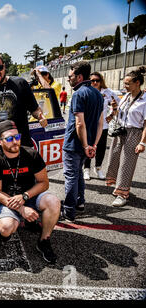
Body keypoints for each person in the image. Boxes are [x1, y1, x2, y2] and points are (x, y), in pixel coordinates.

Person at [0, 120, 60, 264]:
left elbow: (44, 183)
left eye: (17, 137)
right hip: (8, 201)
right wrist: (21, 209)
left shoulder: (31, 154)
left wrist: (25, 196)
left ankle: (44, 240)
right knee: (6, 228)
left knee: (53, 202)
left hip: (30, 195)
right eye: (9, 138)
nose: (15, 141)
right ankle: (17, 222)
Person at [0, 52, 48, 154]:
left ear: (4, 66)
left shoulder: (20, 83)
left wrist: (40, 116)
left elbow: (34, 109)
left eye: (0, 68)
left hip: (20, 144)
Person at [61, 61, 104, 222]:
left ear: (79, 77)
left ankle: (69, 211)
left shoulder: (79, 94)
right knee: (78, 173)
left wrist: (86, 145)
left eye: (70, 76)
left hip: (75, 143)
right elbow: (100, 123)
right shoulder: (98, 94)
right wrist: (93, 144)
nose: (68, 79)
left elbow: (80, 123)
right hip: (88, 143)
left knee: (71, 176)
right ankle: (80, 202)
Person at [105, 66, 146, 207]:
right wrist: (114, 109)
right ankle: (118, 186)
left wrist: (142, 142)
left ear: (137, 83)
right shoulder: (126, 96)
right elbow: (119, 114)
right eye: (124, 83)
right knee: (114, 160)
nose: (125, 86)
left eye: (128, 83)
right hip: (120, 131)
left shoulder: (145, 100)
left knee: (126, 164)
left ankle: (123, 194)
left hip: (134, 133)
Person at [83, 72, 120, 180]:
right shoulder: (86, 91)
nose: (94, 82)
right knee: (88, 146)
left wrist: (112, 115)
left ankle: (98, 168)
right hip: (89, 125)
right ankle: (86, 169)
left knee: (101, 148)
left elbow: (119, 104)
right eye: (92, 80)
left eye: (97, 80)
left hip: (103, 125)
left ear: (101, 81)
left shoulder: (107, 92)